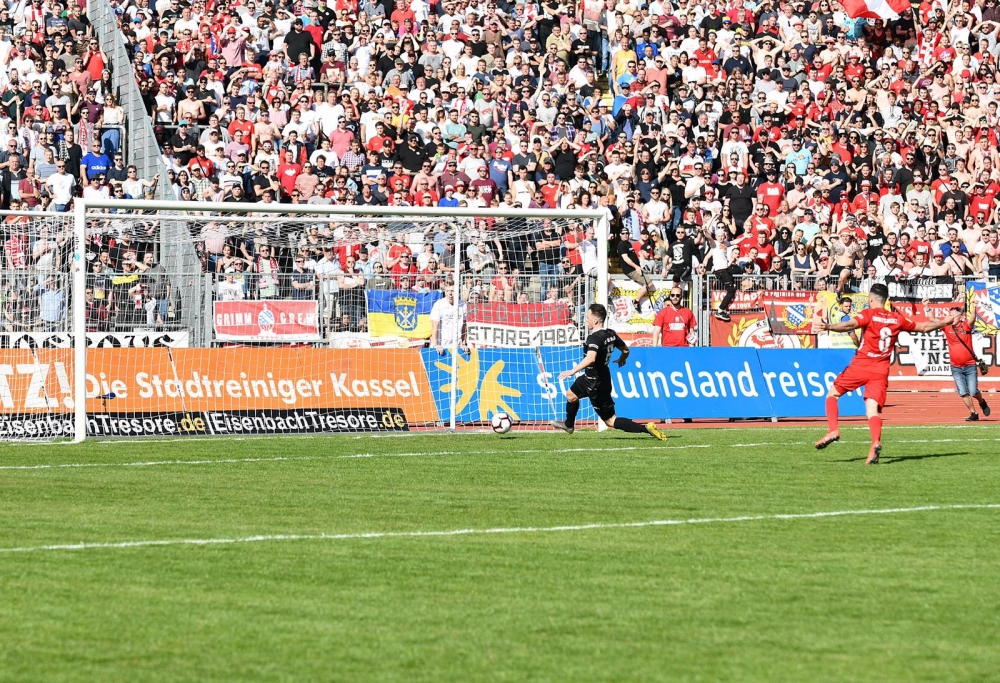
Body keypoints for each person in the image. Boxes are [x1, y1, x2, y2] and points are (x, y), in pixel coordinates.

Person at [814, 284, 962, 465]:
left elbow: (849, 324)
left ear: (871, 299)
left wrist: (828, 325)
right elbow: (923, 327)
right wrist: (944, 322)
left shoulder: (868, 314)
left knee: (833, 394)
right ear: (885, 301)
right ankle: (875, 441)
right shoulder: (897, 318)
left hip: (861, 364)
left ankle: (833, 430)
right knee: (872, 410)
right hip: (881, 370)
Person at [551, 303, 666, 440]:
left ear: (595, 320)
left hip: (594, 383)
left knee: (611, 421)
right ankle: (569, 425)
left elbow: (591, 358)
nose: (585, 320)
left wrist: (572, 371)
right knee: (571, 395)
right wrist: (622, 359)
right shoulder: (610, 334)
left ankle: (645, 428)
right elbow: (625, 350)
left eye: (587, 317)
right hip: (599, 377)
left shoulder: (594, 338)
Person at [942, 304, 991, 422]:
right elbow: (932, 320)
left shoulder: (966, 326)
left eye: (954, 315)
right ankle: (973, 413)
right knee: (963, 392)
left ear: (960, 316)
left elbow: (972, 319)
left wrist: (973, 308)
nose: (951, 318)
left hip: (970, 366)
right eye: (950, 315)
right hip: (955, 367)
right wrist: (927, 306)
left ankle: (982, 402)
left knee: (973, 391)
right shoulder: (946, 327)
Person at [429, 286, 466, 355]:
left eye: (452, 290)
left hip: (456, 346)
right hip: (441, 346)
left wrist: (463, 343)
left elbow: (464, 326)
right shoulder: (439, 304)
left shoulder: (463, 305)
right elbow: (434, 326)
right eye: (447, 291)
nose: (450, 293)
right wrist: (436, 345)